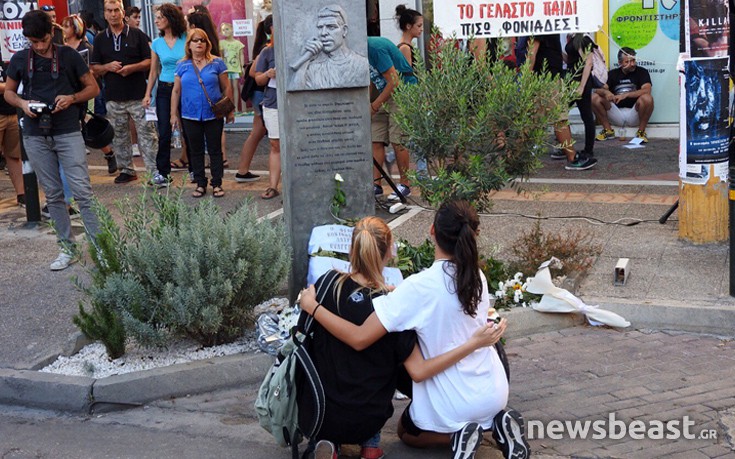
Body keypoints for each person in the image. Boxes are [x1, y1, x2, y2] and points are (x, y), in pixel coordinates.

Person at [301, 201, 531, 459]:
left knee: (406, 432)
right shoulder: (476, 276)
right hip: (495, 393)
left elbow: (359, 338)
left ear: (432, 231)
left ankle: (459, 436)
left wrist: (313, 307)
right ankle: (497, 427)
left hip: (454, 399)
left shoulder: (419, 287)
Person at [4, 10, 101, 270]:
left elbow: (93, 88)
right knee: (55, 195)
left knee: (82, 192)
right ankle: (66, 248)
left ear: (52, 33)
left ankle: (102, 248)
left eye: (42, 40)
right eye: (32, 42)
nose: (38, 46)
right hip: (35, 134)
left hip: (67, 130)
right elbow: (9, 93)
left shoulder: (68, 55)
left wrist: (71, 98)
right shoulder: (21, 59)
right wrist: (24, 103)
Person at [91, 0, 159, 185]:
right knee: (119, 135)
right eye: (109, 11)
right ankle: (127, 170)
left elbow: (150, 61)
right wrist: (107, 66)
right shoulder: (100, 39)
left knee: (147, 134)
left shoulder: (137, 35)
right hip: (113, 96)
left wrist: (132, 68)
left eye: (116, 10)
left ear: (123, 13)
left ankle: (154, 171)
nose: (113, 14)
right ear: (104, 14)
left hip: (138, 94)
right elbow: (94, 68)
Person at [171, 29, 232, 198]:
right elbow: (176, 91)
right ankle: (200, 183)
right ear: (189, 45)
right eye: (195, 40)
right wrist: (173, 114)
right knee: (195, 150)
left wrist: (230, 111)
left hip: (213, 114)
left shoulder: (217, 63)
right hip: (190, 114)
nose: (199, 43)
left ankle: (217, 183)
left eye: (202, 40)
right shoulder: (182, 65)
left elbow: (226, 88)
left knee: (215, 150)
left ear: (207, 44)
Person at [528, 34, 596, 171]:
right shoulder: (543, 26)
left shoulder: (556, 32)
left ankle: (514, 156)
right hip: (547, 80)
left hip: (551, 79)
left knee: (535, 120)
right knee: (559, 117)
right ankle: (571, 156)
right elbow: (532, 52)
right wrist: (527, 78)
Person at [62, 14, 118, 176]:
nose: (64, 30)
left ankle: (108, 152)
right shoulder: (61, 47)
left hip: (86, 91)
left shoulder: (86, 47)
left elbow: (95, 70)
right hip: (67, 91)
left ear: (76, 28)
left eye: (67, 26)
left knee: (86, 123)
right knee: (75, 127)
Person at [143, 3, 188, 187]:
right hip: (164, 88)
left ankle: (194, 168)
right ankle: (163, 173)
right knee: (164, 131)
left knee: (189, 128)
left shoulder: (186, 38)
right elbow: (153, 71)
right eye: (156, 17)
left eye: (160, 17)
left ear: (170, 18)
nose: (156, 21)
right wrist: (147, 94)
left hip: (185, 87)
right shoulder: (156, 43)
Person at [367, 36, 416, 200]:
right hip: (383, 92)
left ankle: (404, 184)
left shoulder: (375, 48)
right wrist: (370, 101)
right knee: (375, 137)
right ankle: (376, 184)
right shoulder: (359, 52)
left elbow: (394, 81)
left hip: (402, 91)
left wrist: (374, 106)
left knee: (398, 138)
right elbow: (372, 80)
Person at [290, 4, 369, 91]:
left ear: (344, 30)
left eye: (331, 27)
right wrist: (305, 59)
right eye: (320, 27)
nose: (323, 33)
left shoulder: (361, 64)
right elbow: (296, 92)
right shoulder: (314, 68)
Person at [234, 14, 271, 183]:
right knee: (271, 135)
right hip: (263, 93)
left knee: (257, 132)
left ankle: (243, 170)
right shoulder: (268, 47)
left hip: (259, 93)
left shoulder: (264, 45)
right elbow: (252, 72)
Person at [591, 47, 653, 144]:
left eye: (633, 60)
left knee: (647, 98)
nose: (632, 64)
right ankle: (608, 130)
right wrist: (606, 93)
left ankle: (641, 132)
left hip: (635, 113)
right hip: (616, 112)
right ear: (620, 63)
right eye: (627, 62)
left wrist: (626, 95)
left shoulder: (642, 72)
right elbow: (598, 88)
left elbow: (647, 90)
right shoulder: (612, 74)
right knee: (594, 97)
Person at [255, 21, 280, 200]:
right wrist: (267, 74)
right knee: (275, 144)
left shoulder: (298, 49)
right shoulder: (267, 51)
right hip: (272, 102)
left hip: (296, 104)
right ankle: (273, 186)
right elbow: (257, 79)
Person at [564, 33, 596, 166]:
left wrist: (581, 86)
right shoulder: (572, 37)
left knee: (586, 114)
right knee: (561, 112)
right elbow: (570, 60)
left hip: (579, 81)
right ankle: (565, 145)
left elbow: (588, 62)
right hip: (571, 79)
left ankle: (588, 149)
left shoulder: (583, 38)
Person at [0, 66, 24, 207]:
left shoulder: (11, 54)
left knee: (14, 155)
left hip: (13, 111)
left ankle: (21, 194)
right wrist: (11, 87)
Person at [219, 23, 245, 108]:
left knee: (235, 87)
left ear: (232, 29)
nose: (225, 31)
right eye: (223, 30)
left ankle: (236, 107)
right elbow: (221, 56)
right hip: (226, 69)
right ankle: (230, 108)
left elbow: (241, 55)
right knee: (228, 88)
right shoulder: (222, 43)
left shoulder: (238, 43)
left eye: (227, 29)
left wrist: (242, 66)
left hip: (235, 68)